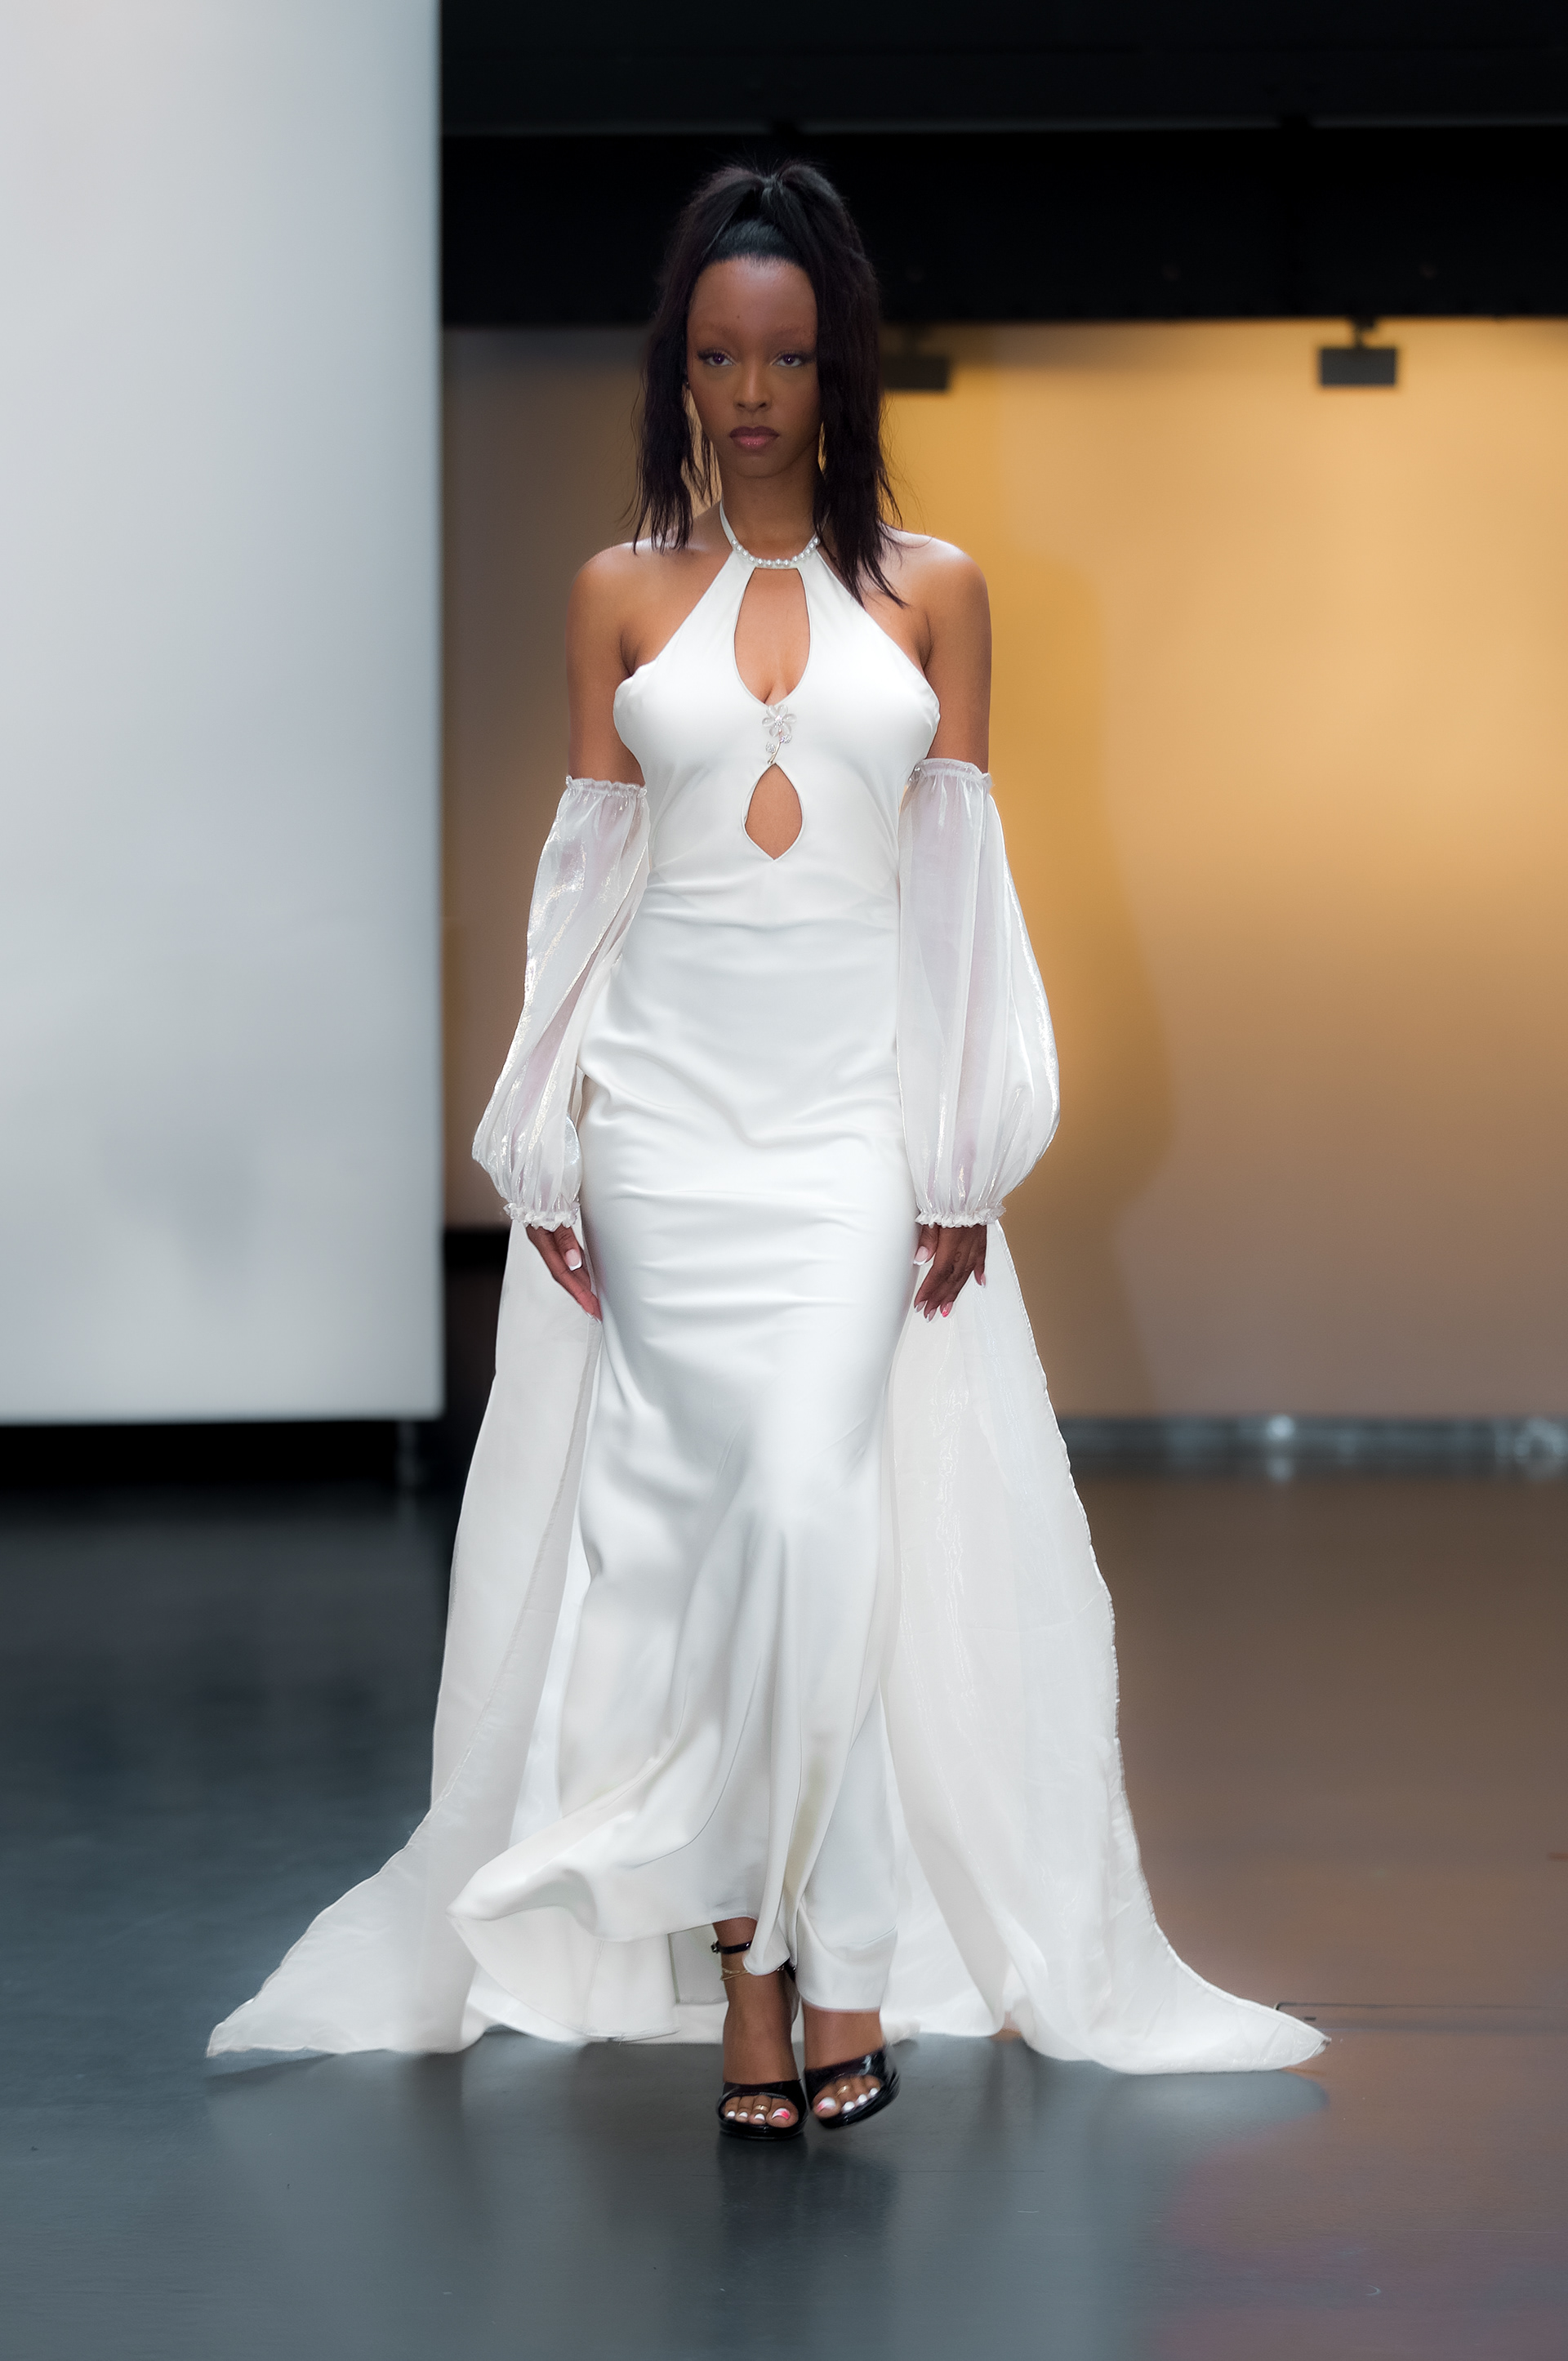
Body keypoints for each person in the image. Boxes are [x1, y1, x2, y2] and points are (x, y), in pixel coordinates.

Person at [209, 163, 1321, 2132]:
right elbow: (586, 888)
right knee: (711, 1543)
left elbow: (959, 898)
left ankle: (845, 1954)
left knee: (810, 1510)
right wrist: (546, 1146)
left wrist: (961, 1156)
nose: (749, 394)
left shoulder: (938, 593)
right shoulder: (619, 594)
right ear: (678, 371)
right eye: (718, 358)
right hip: (664, 1130)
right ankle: (760, 1976)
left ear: (840, 371)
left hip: (843, 1136)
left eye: (786, 358)